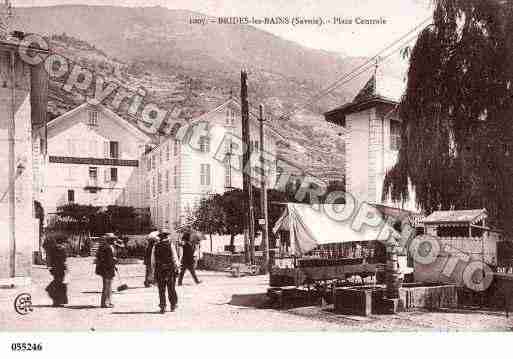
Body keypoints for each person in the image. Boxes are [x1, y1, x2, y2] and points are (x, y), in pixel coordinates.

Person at [152, 231, 180, 313]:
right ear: (167, 237)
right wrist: (177, 267)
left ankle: (163, 306)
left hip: (159, 269)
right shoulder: (171, 245)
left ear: (160, 237)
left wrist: (154, 270)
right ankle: (173, 305)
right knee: (171, 288)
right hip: (169, 269)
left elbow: (153, 260)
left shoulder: (155, 246)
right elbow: (174, 257)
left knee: (161, 289)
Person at [95, 233, 123, 308]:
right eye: (112, 239)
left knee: (108, 286)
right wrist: (114, 261)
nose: (114, 240)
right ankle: (105, 303)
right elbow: (107, 259)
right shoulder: (107, 247)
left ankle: (108, 301)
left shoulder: (108, 247)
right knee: (107, 286)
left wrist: (114, 263)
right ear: (109, 240)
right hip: (107, 269)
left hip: (108, 268)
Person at [45, 234, 69, 307]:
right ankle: (57, 301)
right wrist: (67, 269)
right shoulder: (62, 249)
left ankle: (56, 301)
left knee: (58, 283)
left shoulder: (52, 248)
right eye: (64, 242)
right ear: (62, 242)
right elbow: (64, 260)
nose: (65, 244)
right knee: (60, 284)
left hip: (54, 269)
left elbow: (49, 259)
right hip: (61, 268)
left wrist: (50, 267)